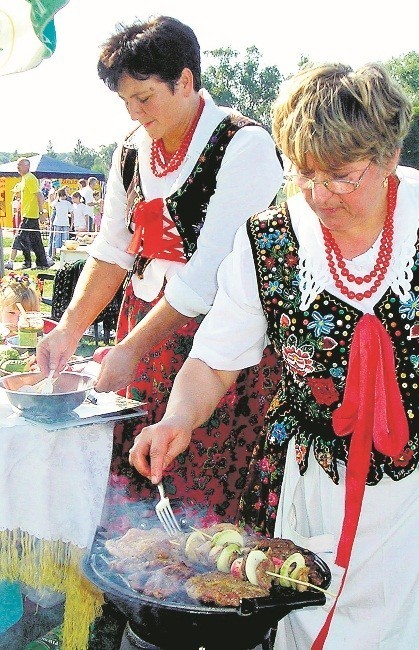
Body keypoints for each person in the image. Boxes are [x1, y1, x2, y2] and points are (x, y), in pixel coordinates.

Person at [129, 62, 419, 650]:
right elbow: (215, 359)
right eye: (303, 175)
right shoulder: (269, 237)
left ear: (390, 154)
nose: (320, 196)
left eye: (341, 176)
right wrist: (177, 419)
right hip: (317, 493)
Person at [37, 15, 283, 522]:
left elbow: (207, 275)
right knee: (134, 475)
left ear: (186, 81)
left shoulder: (244, 145)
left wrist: (130, 349)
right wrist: (69, 329)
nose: (133, 112)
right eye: (125, 102)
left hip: (218, 344)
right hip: (146, 331)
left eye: (144, 98)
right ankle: (130, 591)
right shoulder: (130, 151)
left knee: (203, 490)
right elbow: (111, 250)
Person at [4, 158, 53, 270]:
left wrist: (41, 212)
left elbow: (40, 196)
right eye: (17, 165)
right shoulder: (25, 179)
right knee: (36, 240)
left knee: (20, 237)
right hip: (28, 214)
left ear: (27, 166)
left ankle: (26, 262)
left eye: (20, 165)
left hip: (30, 215)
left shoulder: (30, 178)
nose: (18, 167)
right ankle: (43, 263)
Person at [48, 187, 73, 257]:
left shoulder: (58, 202)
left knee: (56, 239)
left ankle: (53, 255)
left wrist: (56, 197)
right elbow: (72, 214)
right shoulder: (67, 203)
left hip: (58, 223)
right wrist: (71, 225)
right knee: (65, 240)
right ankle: (64, 256)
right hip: (64, 223)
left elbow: (51, 204)